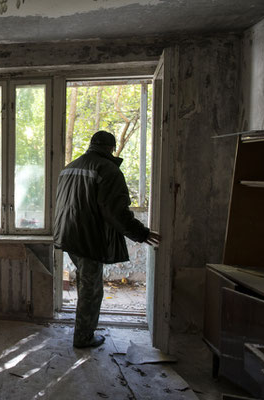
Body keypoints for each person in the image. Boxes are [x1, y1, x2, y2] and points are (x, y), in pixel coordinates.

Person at [54, 130, 161, 348]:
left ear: (91, 144)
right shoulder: (108, 170)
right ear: (111, 148)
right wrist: (142, 233)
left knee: (86, 283)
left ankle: (83, 331)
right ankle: (83, 338)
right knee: (90, 289)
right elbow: (116, 212)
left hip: (68, 233)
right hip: (88, 237)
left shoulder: (70, 167)